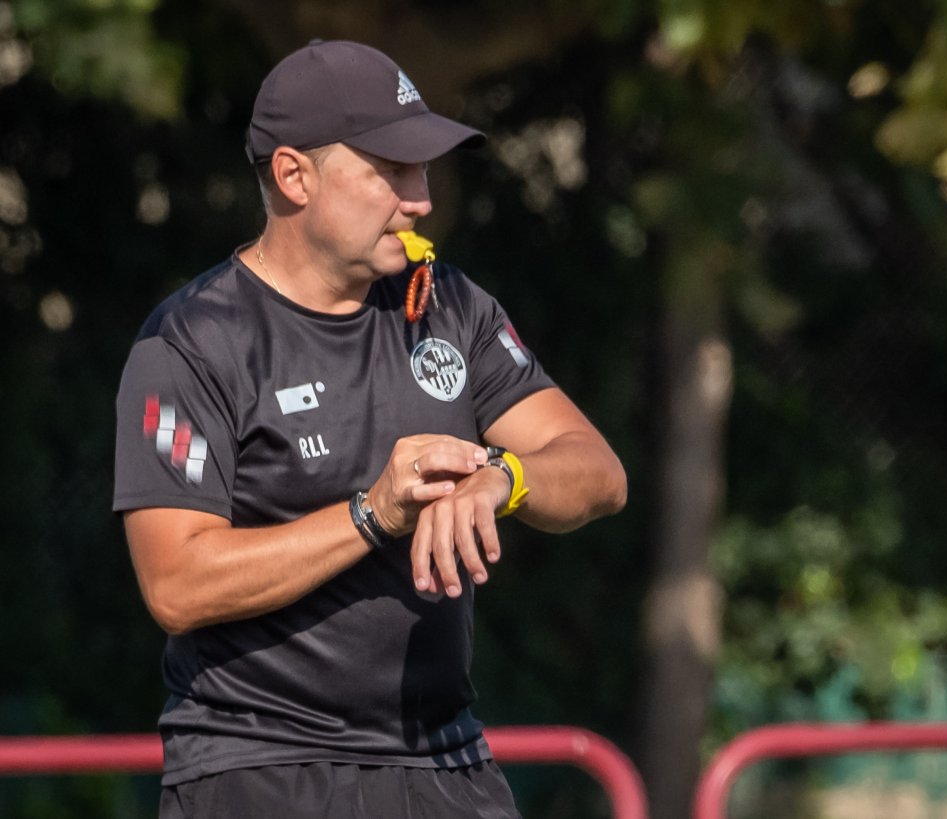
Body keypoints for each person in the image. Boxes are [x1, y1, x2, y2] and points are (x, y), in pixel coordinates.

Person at [112, 39, 627, 818]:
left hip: (446, 760)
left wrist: (504, 477)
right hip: (262, 768)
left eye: (421, 169)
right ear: (294, 175)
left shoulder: (449, 304)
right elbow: (176, 584)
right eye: (390, 170)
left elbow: (598, 471)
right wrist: (373, 513)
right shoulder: (191, 341)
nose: (418, 198)